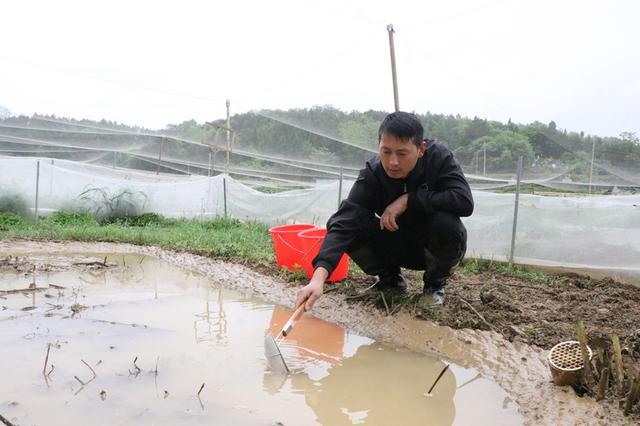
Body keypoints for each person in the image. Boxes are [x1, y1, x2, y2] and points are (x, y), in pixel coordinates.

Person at [295, 111, 473, 311]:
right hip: (396, 243)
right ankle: (390, 280)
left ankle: (434, 285)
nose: (393, 162)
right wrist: (318, 279)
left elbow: (464, 201)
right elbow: (344, 221)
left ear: (421, 149)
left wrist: (409, 200)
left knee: (446, 223)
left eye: (402, 153)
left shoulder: (438, 158)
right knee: (349, 223)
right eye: (386, 152)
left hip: (432, 247)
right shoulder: (374, 173)